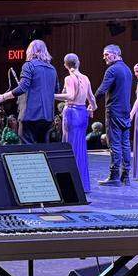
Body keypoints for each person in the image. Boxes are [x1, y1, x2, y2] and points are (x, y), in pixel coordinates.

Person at [0, 40, 57, 143]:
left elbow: (22, 87)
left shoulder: (29, 65)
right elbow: (55, 90)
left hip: (31, 116)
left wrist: (3, 97)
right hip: (48, 117)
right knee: (43, 151)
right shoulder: (52, 69)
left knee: (28, 152)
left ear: (30, 51)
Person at [54, 54, 96, 191]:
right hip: (82, 112)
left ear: (65, 65)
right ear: (78, 62)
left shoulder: (69, 78)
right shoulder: (86, 78)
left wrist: (50, 95)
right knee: (80, 148)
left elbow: (70, 96)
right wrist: (92, 108)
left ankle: (71, 185)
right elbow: (92, 99)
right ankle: (82, 184)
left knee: (70, 147)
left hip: (72, 113)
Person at [94, 45, 134, 186]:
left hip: (114, 112)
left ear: (115, 54)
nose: (104, 57)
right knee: (125, 144)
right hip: (125, 111)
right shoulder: (127, 69)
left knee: (115, 144)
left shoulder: (112, 70)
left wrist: (92, 103)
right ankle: (126, 176)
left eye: (106, 54)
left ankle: (114, 176)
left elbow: (102, 90)